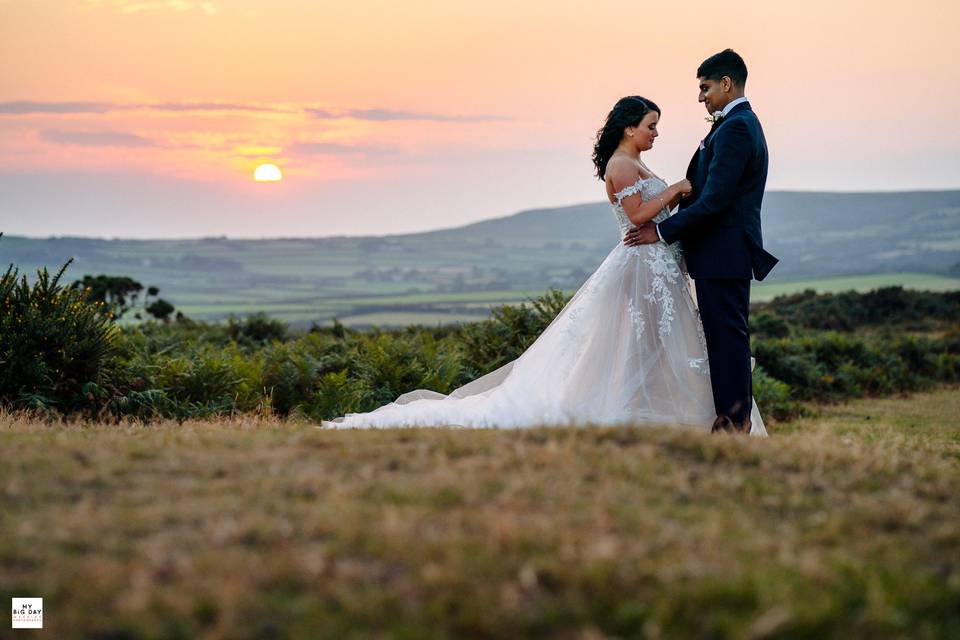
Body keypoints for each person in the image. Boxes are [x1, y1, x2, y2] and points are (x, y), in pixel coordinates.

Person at [323, 92, 767, 436]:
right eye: (651, 126)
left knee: (658, 343)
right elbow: (635, 217)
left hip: (659, 265)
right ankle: (631, 410)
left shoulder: (636, 161)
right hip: (641, 267)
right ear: (630, 127)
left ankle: (659, 411)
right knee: (636, 343)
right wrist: (675, 191)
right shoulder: (621, 165)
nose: (656, 133)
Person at [624, 49, 778, 433]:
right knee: (726, 338)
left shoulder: (738, 127)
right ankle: (733, 419)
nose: (700, 97)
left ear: (727, 83)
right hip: (720, 252)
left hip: (724, 252)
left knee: (727, 339)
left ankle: (733, 422)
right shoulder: (733, 125)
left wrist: (660, 230)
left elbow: (715, 201)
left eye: (705, 87)